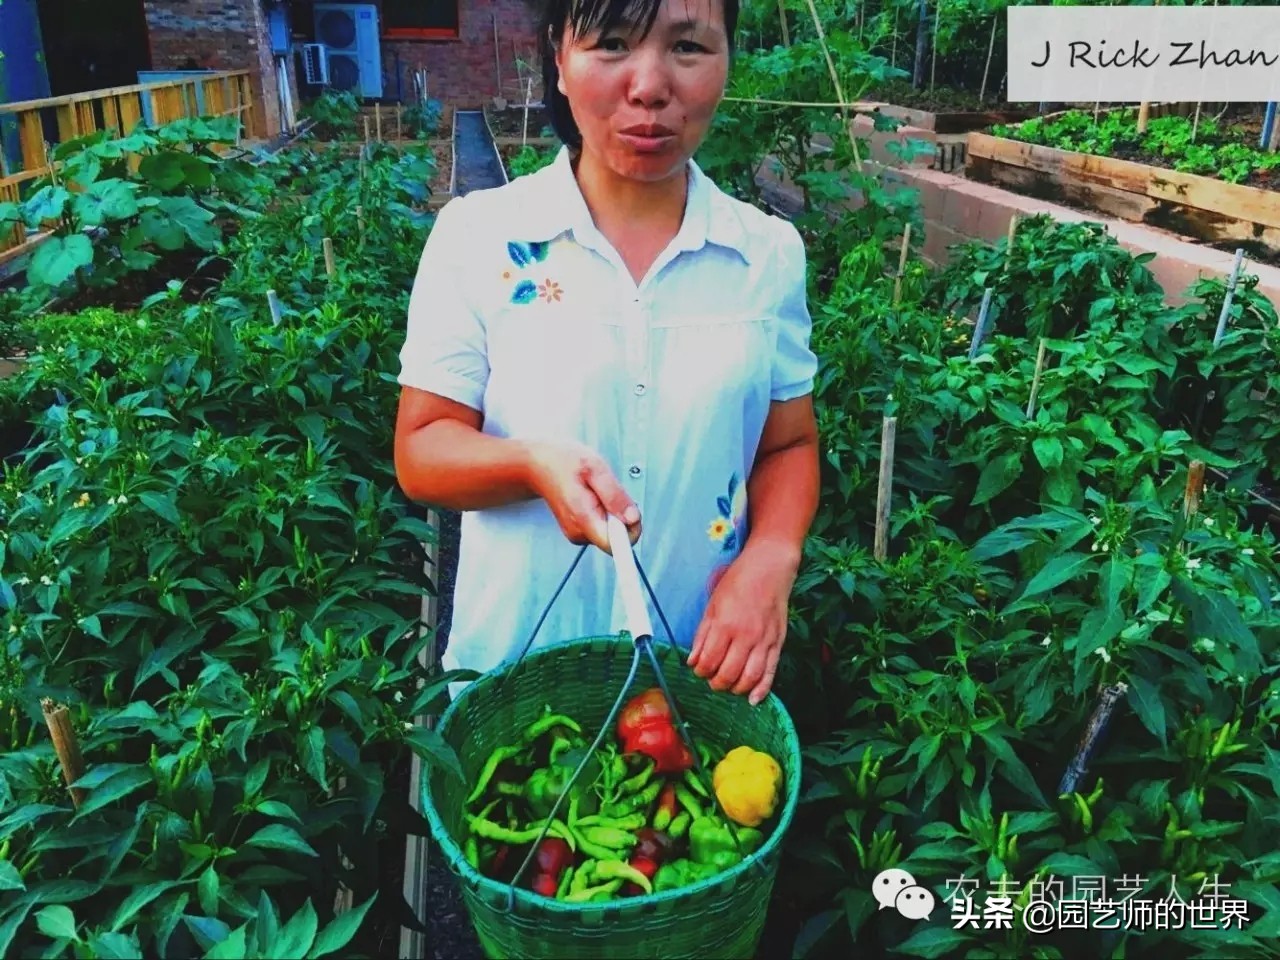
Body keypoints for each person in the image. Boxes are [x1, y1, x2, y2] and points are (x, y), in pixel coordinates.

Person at [393, 0, 819, 707]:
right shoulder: (480, 237)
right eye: (613, 43)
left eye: (688, 47)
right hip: (515, 676)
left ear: (727, 61)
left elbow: (789, 444)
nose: (650, 85)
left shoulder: (764, 256)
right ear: (559, 57)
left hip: (698, 677)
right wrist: (529, 462)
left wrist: (772, 555)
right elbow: (423, 448)